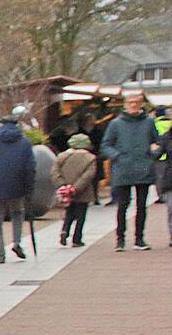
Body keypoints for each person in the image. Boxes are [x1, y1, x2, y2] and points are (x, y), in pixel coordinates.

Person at [102, 93, 160, 251]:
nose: (133, 105)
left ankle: (139, 239)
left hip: (143, 168)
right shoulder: (116, 124)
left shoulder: (149, 122)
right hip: (123, 169)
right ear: (125, 104)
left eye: (136, 102)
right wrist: (117, 156)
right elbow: (106, 145)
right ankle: (120, 240)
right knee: (122, 205)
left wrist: (154, 152)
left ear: (141, 104)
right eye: (130, 102)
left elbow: (158, 142)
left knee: (142, 206)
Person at [0, 107, 36, 263]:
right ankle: (17, 242)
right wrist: (29, 188)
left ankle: (0, 254)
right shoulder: (25, 142)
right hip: (17, 186)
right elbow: (30, 167)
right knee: (17, 214)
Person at [52, 132, 98, 247]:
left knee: (69, 212)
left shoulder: (62, 156)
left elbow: (54, 171)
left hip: (65, 190)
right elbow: (89, 175)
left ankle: (65, 230)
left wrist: (62, 185)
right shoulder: (90, 158)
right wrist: (76, 188)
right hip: (83, 191)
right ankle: (77, 239)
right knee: (81, 215)